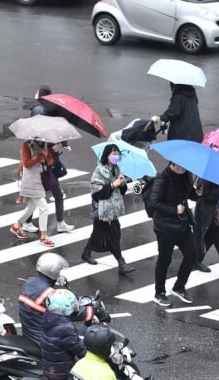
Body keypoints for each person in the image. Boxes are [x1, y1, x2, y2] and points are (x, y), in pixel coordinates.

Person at [147, 162, 203, 307]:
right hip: (164, 227)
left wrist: (197, 194)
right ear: (172, 163)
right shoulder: (162, 179)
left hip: (182, 224)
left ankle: (179, 287)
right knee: (165, 260)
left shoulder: (185, 175)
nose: (182, 168)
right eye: (179, 166)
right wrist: (174, 209)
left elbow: (188, 194)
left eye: (184, 166)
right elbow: (153, 204)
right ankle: (159, 293)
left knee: (192, 254)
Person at [24, 85, 74, 234]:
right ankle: (56, 222)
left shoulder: (38, 111)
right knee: (45, 195)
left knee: (42, 195)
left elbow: (35, 136)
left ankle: (57, 222)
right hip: (44, 162)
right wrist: (62, 145)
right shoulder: (52, 112)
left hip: (45, 162)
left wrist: (58, 146)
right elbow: (56, 133)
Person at [81, 144, 135, 275]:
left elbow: (122, 192)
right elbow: (97, 193)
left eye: (117, 153)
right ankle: (121, 263)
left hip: (113, 209)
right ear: (107, 156)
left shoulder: (117, 170)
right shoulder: (99, 171)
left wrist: (122, 182)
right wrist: (112, 185)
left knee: (98, 234)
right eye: (113, 153)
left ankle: (86, 253)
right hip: (102, 210)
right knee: (114, 235)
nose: (116, 156)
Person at [11, 139, 56, 247]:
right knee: (44, 208)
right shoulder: (26, 145)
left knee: (31, 207)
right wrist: (40, 156)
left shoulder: (44, 145)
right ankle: (43, 236)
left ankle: (17, 226)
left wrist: (45, 157)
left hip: (40, 180)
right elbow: (26, 164)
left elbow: (51, 161)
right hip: (30, 181)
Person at [18, 253, 70, 345]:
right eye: (59, 270)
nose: (60, 273)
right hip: (44, 340)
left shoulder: (29, 283)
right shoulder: (49, 293)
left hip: (29, 333)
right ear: (53, 271)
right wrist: (88, 312)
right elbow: (68, 310)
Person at [41, 289, 85, 380]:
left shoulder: (49, 318)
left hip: (51, 370)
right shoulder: (66, 328)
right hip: (63, 375)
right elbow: (81, 351)